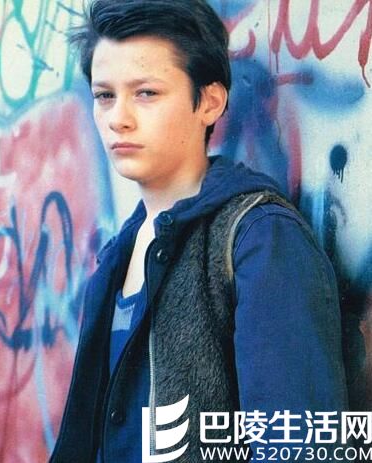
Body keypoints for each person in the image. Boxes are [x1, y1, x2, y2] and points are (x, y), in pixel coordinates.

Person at [50, 1, 349, 462]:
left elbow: (300, 445)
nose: (117, 118)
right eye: (104, 95)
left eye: (146, 93)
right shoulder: (116, 256)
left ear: (209, 102)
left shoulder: (259, 238)